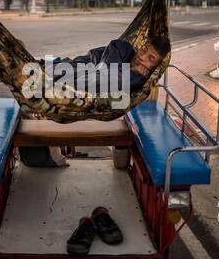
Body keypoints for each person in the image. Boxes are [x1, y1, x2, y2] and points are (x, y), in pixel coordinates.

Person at [20, 35, 170, 168]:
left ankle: (34, 76)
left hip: (70, 89)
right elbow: (103, 70)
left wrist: (127, 75)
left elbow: (116, 96)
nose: (142, 57)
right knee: (30, 71)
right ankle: (29, 68)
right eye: (144, 50)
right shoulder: (123, 48)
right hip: (71, 72)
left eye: (151, 59)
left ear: (155, 68)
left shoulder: (138, 81)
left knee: (33, 77)